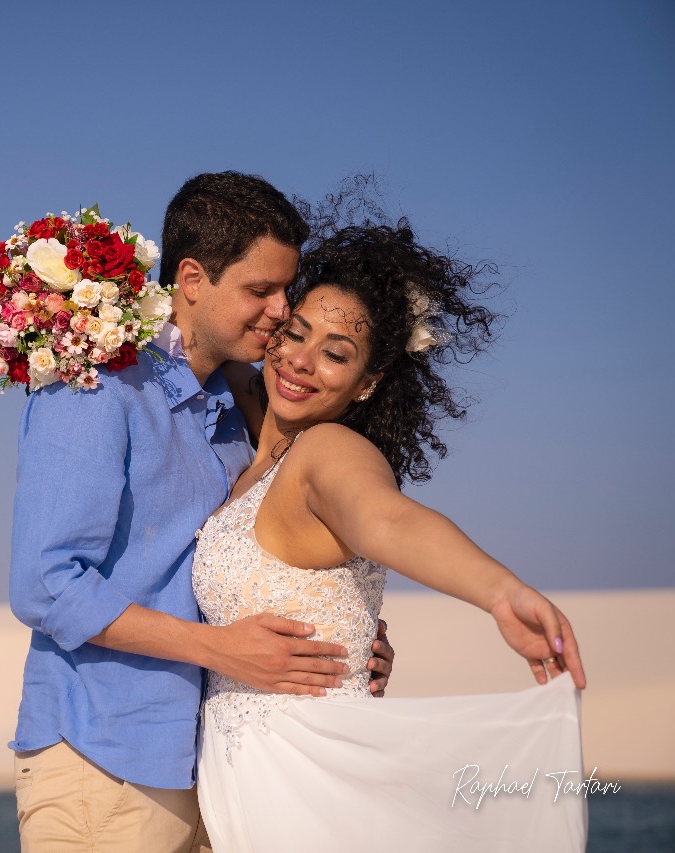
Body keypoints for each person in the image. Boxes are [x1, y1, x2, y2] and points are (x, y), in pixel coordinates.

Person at [7, 172, 394, 853]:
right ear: (191, 277)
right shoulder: (99, 383)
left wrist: (344, 636)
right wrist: (219, 648)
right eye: (260, 290)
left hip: (216, 775)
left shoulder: (235, 411)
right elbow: (45, 583)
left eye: (286, 289)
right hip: (106, 764)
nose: (280, 309)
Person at [193, 219, 588, 850]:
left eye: (336, 353)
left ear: (369, 382)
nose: (302, 360)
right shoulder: (261, 439)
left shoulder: (327, 451)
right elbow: (211, 346)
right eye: (295, 335)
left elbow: (386, 520)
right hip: (242, 777)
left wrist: (498, 590)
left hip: (305, 782)